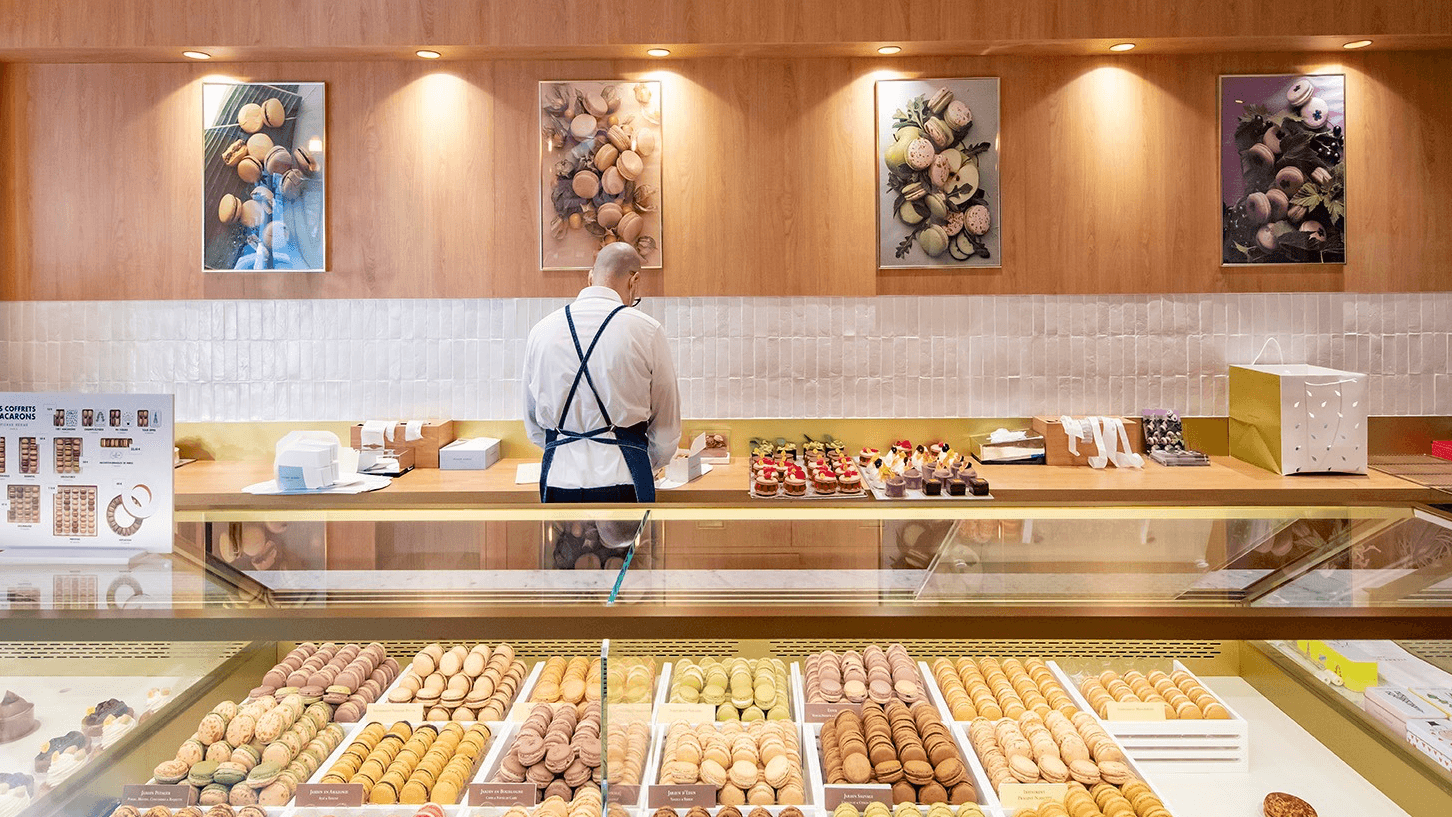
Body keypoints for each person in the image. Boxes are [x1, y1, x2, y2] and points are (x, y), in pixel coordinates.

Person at [523, 242, 681, 502]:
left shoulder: (541, 331)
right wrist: (646, 461)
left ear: (590, 277)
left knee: (560, 545)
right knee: (629, 545)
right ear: (635, 280)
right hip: (624, 478)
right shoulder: (647, 330)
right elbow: (666, 427)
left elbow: (533, 425)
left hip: (558, 478)